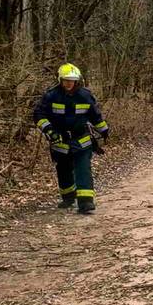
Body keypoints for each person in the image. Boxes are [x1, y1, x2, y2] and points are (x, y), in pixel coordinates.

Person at [33, 63, 110, 214]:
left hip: (82, 140)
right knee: (63, 169)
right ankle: (68, 197)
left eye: (72, 80)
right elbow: (39, 115)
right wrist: (49, 131)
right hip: (59, 140)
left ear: (77, 81)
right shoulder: (51, 95)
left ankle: (86, 202)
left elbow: (95, 116)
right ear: (60, 79)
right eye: (66, 80)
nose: (69, 83)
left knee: (83, 169)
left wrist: (104, 129)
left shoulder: (85, 95)